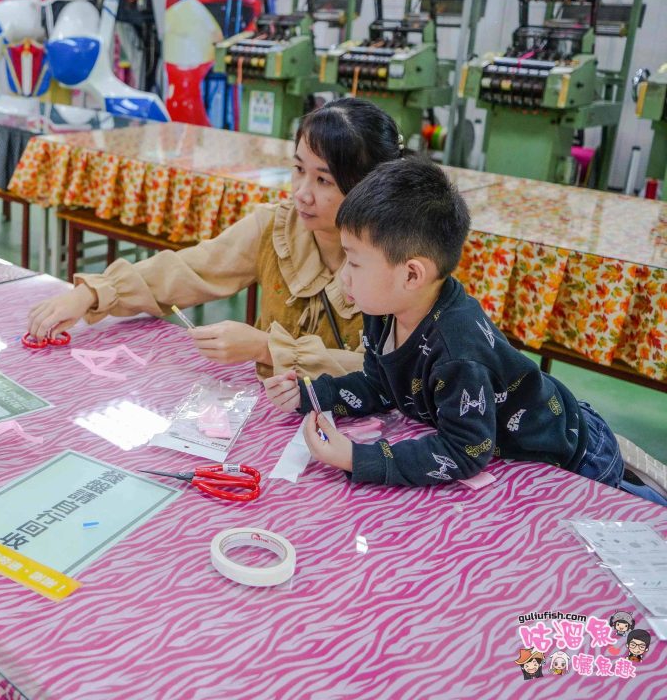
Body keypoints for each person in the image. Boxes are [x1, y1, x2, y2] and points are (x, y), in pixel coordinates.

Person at [261, 156, 667, 506]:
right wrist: (313, 393)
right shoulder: (384, 308)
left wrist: (358, 458)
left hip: (575, 456)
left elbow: (465, 451)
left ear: (412, 274)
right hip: (513, 444)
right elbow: (380, 384)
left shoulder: (458, 351)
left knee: (643, 524)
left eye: (354, 262)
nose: (344, 276)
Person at [26, 97, 403, 380]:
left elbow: (396, 373)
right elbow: (191, 268)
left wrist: (265, 348)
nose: (302, 192)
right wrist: (94, 293)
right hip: (277, 413)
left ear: (367, 187)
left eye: (324, 181)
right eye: (298, 170)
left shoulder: (400, 259)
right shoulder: (279, 227)